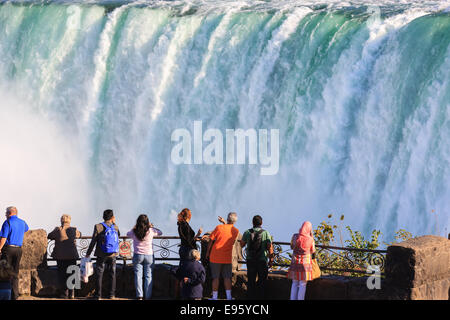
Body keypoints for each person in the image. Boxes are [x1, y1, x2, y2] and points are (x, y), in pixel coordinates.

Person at [86, 209, 120, 300]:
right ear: (112, 217)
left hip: (101, 254)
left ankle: (98, 295)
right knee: (112, 274)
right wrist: (114, 223)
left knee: (99, 274)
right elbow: (118, 238)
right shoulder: (115, 227)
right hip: (113, 254)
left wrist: (88, 253)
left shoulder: (98, 226)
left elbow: (93, 241)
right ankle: (112, 295)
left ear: (103, 217)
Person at [126, 214, 162, 300]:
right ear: (147, 222)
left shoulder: (134, 231)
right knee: (148, 276)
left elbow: (127, 234)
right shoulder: (151, 230)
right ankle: (148, 296)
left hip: (138, 255)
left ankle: (139, 296)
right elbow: (160, 232)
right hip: (149, 255)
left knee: (138, 276)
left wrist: (135, 227)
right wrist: (151, 226)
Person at [206, 212, 239, 300]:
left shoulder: (219, 227)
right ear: (235, 221)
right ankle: (229, 297)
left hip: (215, 256)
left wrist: (207, 252)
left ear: (227, 219)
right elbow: (228, 230)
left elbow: (210, 240)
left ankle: (215, 297)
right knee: (227, 278)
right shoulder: (236, 231)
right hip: (227, 258)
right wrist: (225, 222)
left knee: (215, 278)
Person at [240, 215, 274, 300]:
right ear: (261, 223)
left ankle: (251, 297)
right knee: (262, 281)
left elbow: (242, 244)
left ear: (252, 223)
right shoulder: (265, 233)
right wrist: (271, 259)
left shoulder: (247, 232)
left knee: (251, 280)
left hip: (250, 260)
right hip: (262, 260)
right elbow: (269, 246)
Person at [48, 214, 82, 299]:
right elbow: (80, 235)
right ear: (69, 221)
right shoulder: (74, 229)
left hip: (60, 256)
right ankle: (72, 293)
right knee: (72, 274)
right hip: (72, 255)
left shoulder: (58, 229)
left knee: (62, 275)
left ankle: (64, 294)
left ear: (61, 221)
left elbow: (49, 236)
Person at [0, 206, 29, 300]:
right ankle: (15, 295)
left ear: (10, 213)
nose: (5, 215)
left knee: (5, 272)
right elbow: (26, 229)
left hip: (8, 249)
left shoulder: (7, 222)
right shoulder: (23, 222)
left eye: (6, 213)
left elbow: (3, 238)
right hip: (18, 250)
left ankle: (6, 294)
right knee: (15, 272)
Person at [287, 221, 316, 300]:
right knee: (303, 284)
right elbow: (313, 251)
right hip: (305, 264)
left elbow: (292, 247)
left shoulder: (295, 236)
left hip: (295, 262)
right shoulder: (310, 239)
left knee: (294, 282)